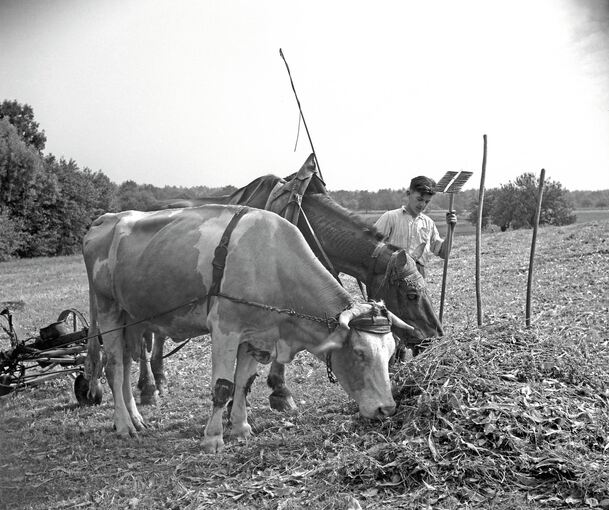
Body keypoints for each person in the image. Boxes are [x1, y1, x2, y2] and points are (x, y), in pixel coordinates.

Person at [373, 176, 457, 278]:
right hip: (393, 274)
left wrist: (451, 228)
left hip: (418, 274)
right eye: (419, 199)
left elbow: (443, 253)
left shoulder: (429, 223)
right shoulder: (391, 217)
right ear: (409, 193)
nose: (422, 205)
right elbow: (371, 244)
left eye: (427, 201)